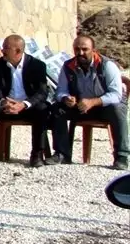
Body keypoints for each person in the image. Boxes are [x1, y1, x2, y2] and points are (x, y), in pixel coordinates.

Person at [49, 36, 127, 169]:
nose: (80, 53)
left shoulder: (107, 65)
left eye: (85, 49)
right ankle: (62, 154)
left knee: (118, 109)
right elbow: (60, 91)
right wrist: (66, 98)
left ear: (94, 50)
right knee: (57, 108)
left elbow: (116, 95)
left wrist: (93, 102)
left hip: (103, 106)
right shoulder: (68, 66)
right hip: (79, 106)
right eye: (77, 49)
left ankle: (121, 156)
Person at [0, 34, 51, 166]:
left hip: (27, 106)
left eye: (6, 48)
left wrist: (23, 104)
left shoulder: (37, 65)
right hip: (6, 105)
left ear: (18, 51)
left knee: (43, 109)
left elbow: (42, 92)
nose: (2, 50)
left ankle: (37, 154)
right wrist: (3, 102)